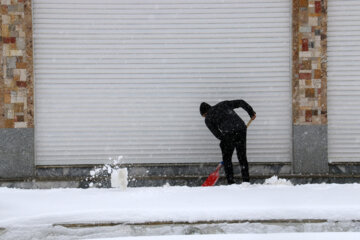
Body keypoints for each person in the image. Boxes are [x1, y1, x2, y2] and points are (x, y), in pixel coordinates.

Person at [200, 100, 256, 184]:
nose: (205, 117)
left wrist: (224, 141)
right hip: (241, 128)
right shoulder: (223, 104)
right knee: (242, 156)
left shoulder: (208, 118)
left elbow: (216, 133)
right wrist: (251, 112)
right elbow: (241, 102)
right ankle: (246, 181)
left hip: (229, 133)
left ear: (205, 113)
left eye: (204, 116)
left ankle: (231, 182)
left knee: (227, 159)